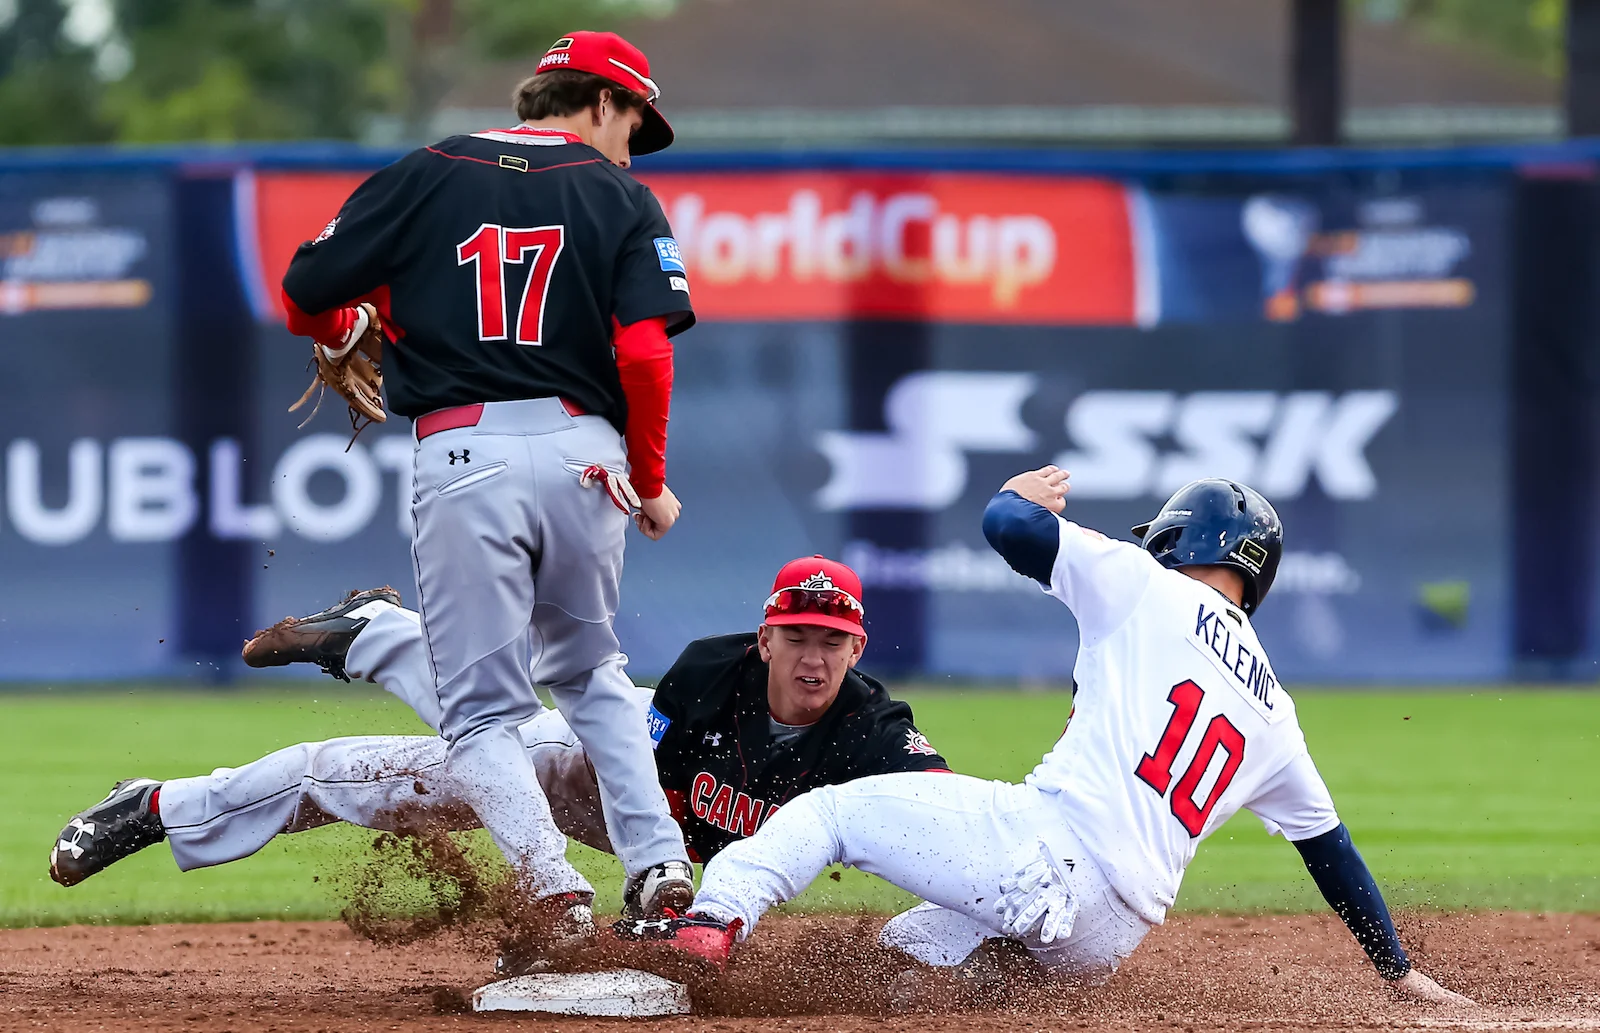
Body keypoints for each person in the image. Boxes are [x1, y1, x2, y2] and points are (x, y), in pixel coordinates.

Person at [51, 30, 700, 931]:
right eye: (633, 124)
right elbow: (645, 353)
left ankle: (552, 890)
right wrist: (651, 477)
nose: (632, 147)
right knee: (594, 672)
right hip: (587, 454)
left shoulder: (428, 171)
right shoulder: (622, 195)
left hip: (465, 451)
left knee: (481, 715)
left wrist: (346, 325)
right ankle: (660, 867)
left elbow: (303, 291)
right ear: (600, 101)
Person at [637, 468, 1472, 1006]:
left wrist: (1020, 490)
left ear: (1180, 539)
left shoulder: (1147, 586)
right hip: (1107, 937)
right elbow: (1333, 855)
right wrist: (1398, 970)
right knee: (901, 958)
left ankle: (709, 920)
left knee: (830, 813)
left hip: (1046, 851)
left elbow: (1008, 525)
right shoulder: (1276, 712)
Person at [47, 557, 950, 968]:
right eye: (797, 634)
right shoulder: (713, 674)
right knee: (374, 779)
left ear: (857, 648)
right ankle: (161, 806)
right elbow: (635, 779)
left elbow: (957, 825)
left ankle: (380, 631)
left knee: (459, 731)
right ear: (766, 637)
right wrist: (656, 891)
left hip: (657, 828)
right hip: (591, 769)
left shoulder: (875, 731)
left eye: (831, 640)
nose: (812, 656)